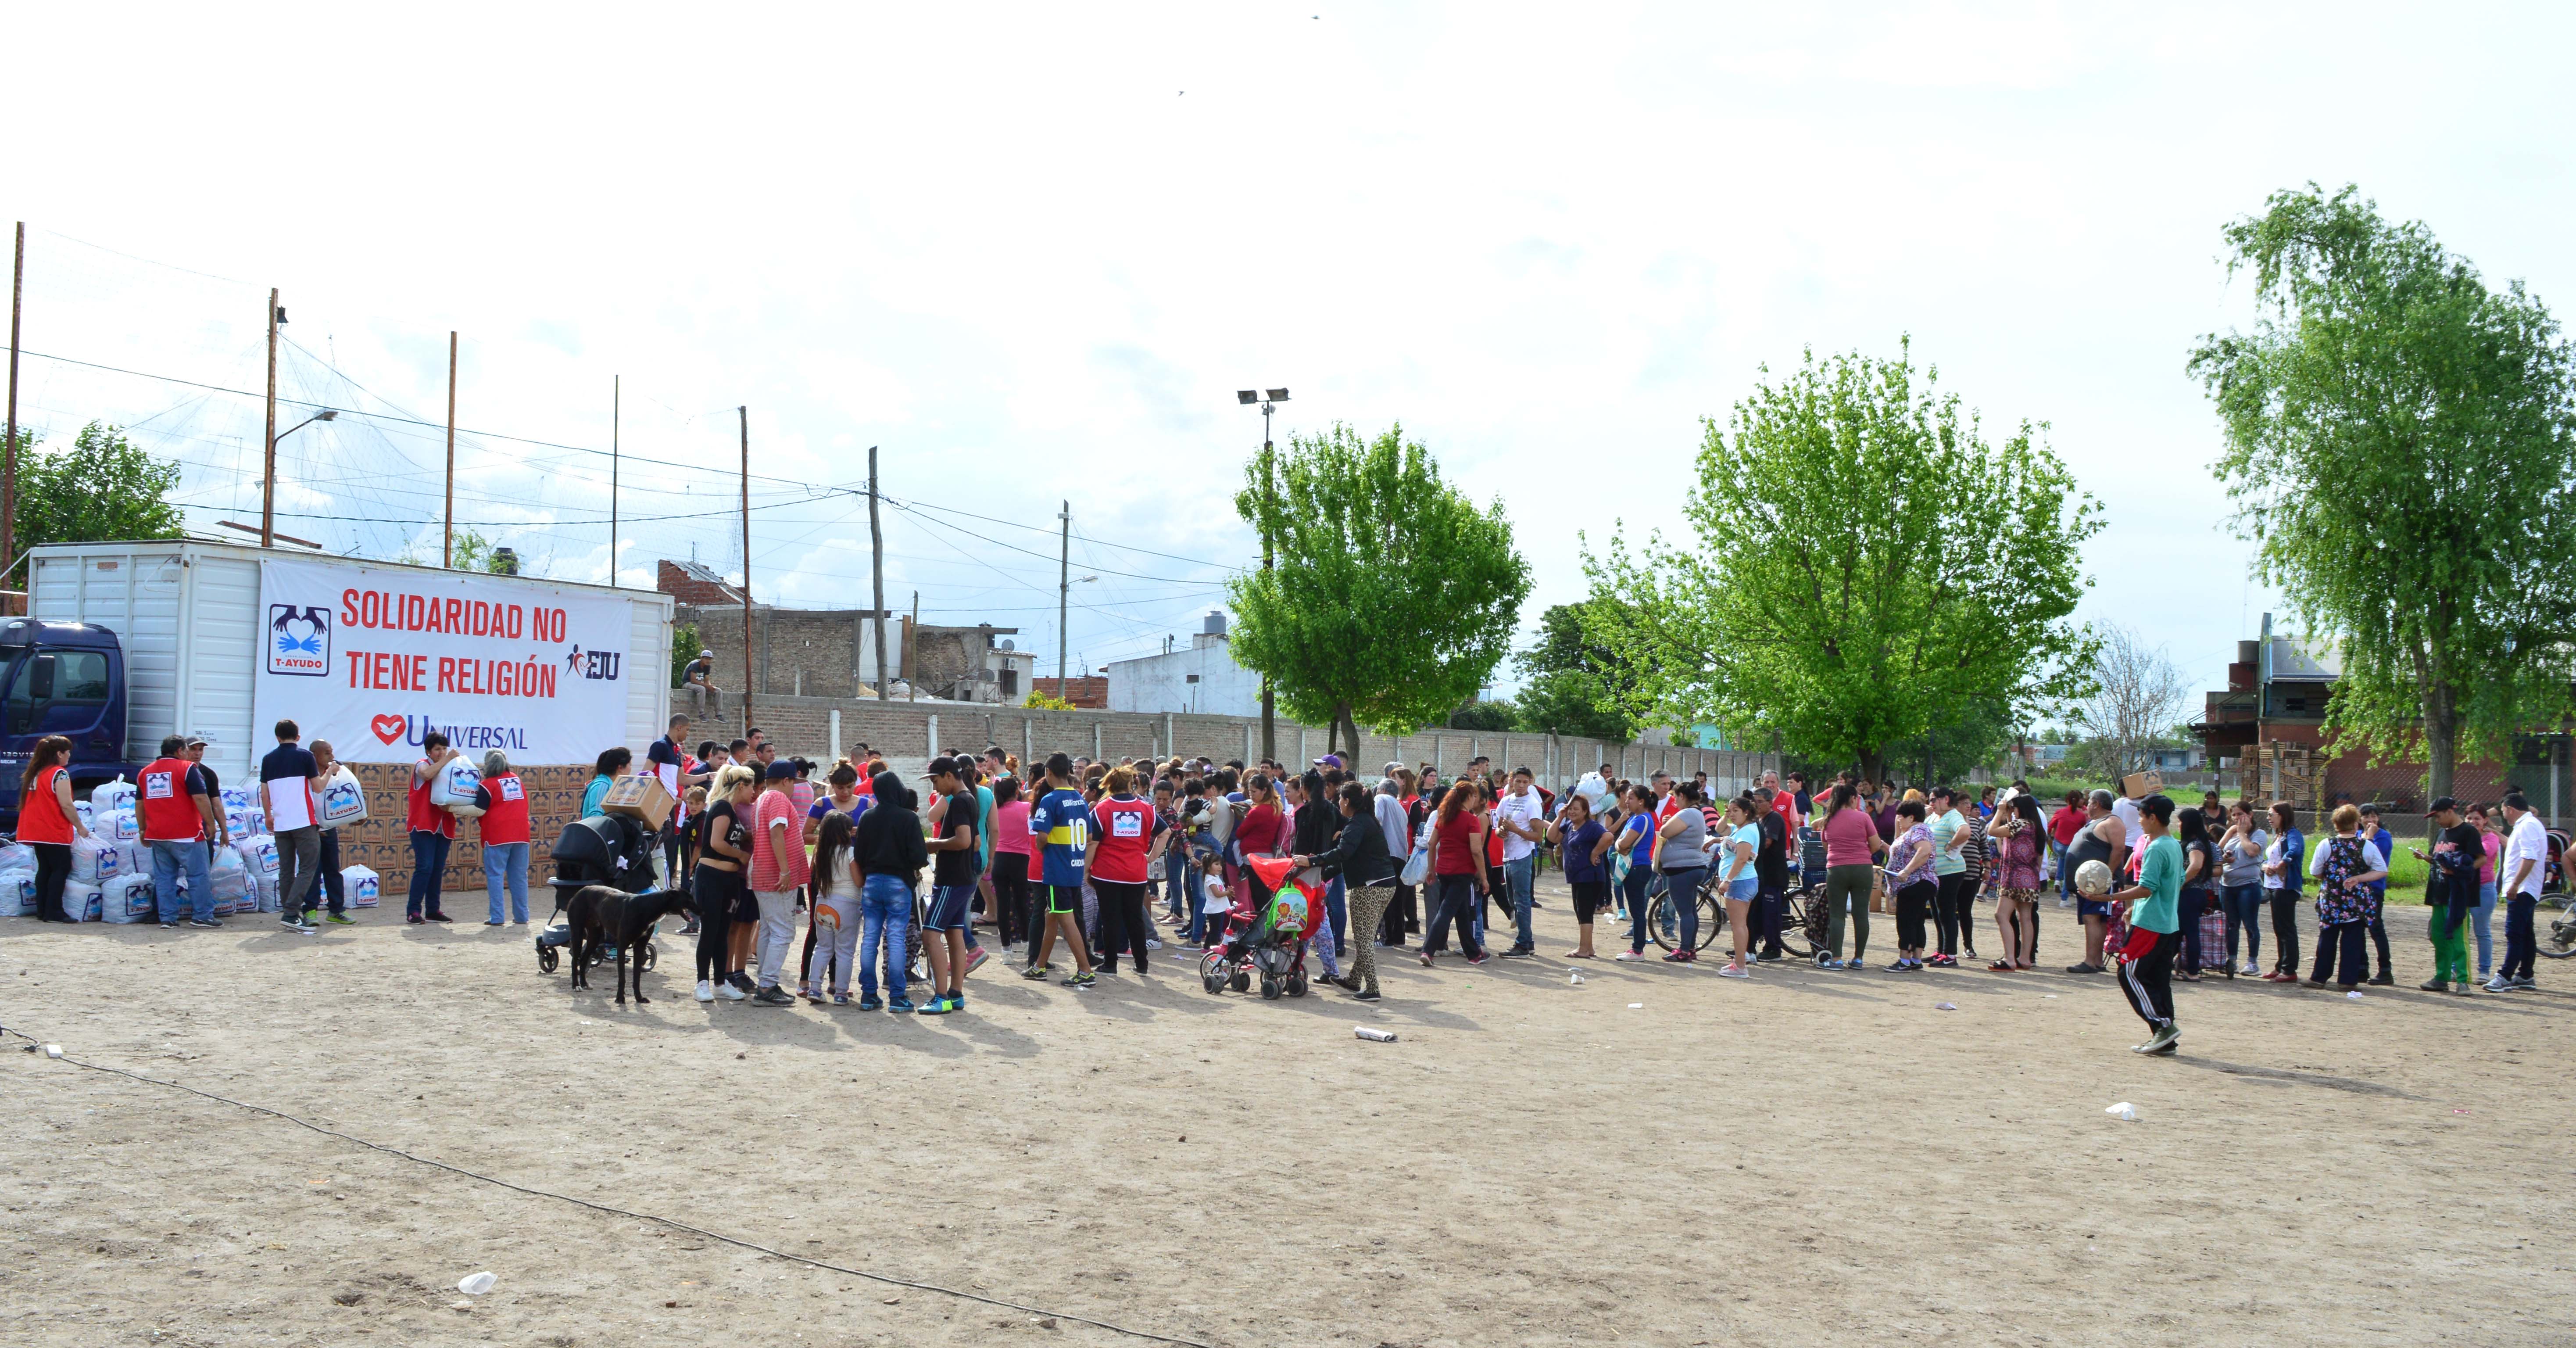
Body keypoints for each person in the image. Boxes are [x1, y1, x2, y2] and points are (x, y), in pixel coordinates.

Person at [1299, 780, 1402, 999]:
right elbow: (1347, 858)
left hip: (1369, 887)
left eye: (1340, 799)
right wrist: (1322, 874)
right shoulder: (1367, 821)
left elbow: (1342, 853)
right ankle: (1354, 980)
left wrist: (1312, 862)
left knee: (1363, 940)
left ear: (1346, 801)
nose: (1338, 803)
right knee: (1366, 936)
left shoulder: (1357, 824)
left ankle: (1373, 988)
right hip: (1384, 885)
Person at [2105, 793, 2184, 1055]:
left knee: (2128, 972)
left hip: (2150, 924)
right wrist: (2135, 908)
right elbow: (2175, 881)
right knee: (2158, 979)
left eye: (2141, 816)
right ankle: (2165, 1039)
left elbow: (2147, 888)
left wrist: (2109, 898)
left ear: (2153, 818)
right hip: (2166, 922)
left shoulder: (2157, 847)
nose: (2139, 821)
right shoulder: (2173, 845)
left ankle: (2163, 1026)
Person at [851, 769, 928, 1011]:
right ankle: (897, 996)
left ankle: (868, 994)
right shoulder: (909, 818)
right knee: (896, 938)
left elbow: (859, 854)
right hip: (899, 884)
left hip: (872, 883)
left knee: (870, 938)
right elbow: (919, 856)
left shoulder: (867, 817)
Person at [1023, 753, 1099, 988]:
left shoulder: (1050, 800)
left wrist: (1047, 848)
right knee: (1052, 915)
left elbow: (1041, 837)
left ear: (1048, 773)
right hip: (1074, 867)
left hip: (1057, 870)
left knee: (1066, 919)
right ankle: (1039, 966)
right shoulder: (1079, 798)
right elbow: (1089, 837)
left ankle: (1085, 971)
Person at [919, 756, 983, 1012]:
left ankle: (941, 997)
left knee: (930, 933)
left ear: (948, 776)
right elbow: (975, 842)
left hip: (951, 880)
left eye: (936, 781)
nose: (935, 788)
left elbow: (965, 841)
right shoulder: (970, 798)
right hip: (964, 878)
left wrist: (934, 844)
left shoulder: (959, 802)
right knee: (955, 933)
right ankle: (956, 994)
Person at [745, 760, 811, 1005]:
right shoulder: (779, 799)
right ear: (786, 781)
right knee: (783, 932)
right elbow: (776, 833)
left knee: (769, 929)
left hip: (763, 873)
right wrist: (785, 870)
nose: (795, 788)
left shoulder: (762, 798)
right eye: (794, 782)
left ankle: (767, 981)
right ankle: (766, 986)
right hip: (775, 874)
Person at [2304, 802, 2387, 991]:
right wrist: (2359, 878)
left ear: (2336, 824)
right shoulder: (2367, 846)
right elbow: (2381, 870)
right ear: (2356, 824)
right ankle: (2348, 981)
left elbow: (2315, 871)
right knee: (2352, 940)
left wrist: (2331, 877)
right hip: (2356, 901)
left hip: (2331, 899)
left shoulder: (2326, 844)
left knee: (2327, 939)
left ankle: (2319, 978)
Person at [137, 735, 219, 928]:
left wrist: (142, 829)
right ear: (181, 751)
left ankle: (168, 918)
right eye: (187, 750)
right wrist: (210, 823)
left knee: (165, 878)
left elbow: (140, 804)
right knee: (198, 875)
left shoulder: (145, 773)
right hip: (187, 834)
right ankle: (203, 916)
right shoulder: (187, 768)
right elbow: (201, 798)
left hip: (158, 834)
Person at [1086, 765, 1157, 979]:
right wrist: (1151, 856)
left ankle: (1110, 965)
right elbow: (1166, 832)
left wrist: (1086, 869)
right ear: (1131, 783)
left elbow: (1093, 843)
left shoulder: (1102, 809)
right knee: (1135, 919)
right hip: (1136, 872)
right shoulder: (1146, 808)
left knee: (1110, 919)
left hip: (1107, 873)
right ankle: (1142, 964)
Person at [692, 765, 756, 1003]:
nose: (753, 792)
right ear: (741, 786)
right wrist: (741, 856)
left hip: (730, 879)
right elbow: (716, 843)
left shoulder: (732, 811)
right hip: (712, 877)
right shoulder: (722, 807)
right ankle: (702, 984)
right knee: (709, 932)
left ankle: (720, 983)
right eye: (751, 787)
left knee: (722, 933)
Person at [453, 749, 532, 926]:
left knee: (496, 876)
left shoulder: (487, 785)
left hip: (497, 835)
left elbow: (479, 810)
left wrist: (453, 809)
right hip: (521, 834)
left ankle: (497, 917)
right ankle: (522, 916)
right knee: (519, 877)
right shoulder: (516, 780)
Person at [2411, 797, 2481, 993]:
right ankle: (2441, 977)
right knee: (2440, 937)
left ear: (2450, 811)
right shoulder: (2442, 833)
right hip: (2439, 892)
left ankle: (2463, 980)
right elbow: (2439, 860)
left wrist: (2460, 872)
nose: (2437, 820)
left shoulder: (2468, 832)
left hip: (2458, 895)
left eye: (2438, 816)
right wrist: (2426, 857)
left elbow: (2481, 859)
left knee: (2458, 938)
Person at [260, 719, 323, 935]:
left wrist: (268, 815)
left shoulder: (268, 759)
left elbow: (265, 792)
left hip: (281, 822)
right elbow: (318, 787)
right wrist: (331, 771)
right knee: (308, 867)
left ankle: (291, 914)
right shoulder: (306, 756)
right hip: (304, 820)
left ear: (278, 738)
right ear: (298, 737)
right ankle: (291, 913)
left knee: (286, 869)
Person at [1420, 779, 1489, 967]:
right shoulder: (1471, 820)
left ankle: (1473, 954)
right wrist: (1484, 878)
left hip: (1444, 871)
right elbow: (1477, 851)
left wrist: (1431, 869)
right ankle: (1428, 950)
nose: (1476, 799)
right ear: (1469, 797)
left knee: (1462, 912)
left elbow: (1432, 844)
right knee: (1446, 912)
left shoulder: (1444, 817)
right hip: (1462, 873)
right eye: (1474, 796)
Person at [17, 735, 86, 923]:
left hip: (35, 829)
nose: (69, 756)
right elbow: (66, 805)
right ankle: (54, 911)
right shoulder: (60, 774)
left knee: (45, 869)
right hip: (52, 829)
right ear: (59, 754)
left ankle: (43, 910)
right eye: (68, 752)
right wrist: (80, 827)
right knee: (61, 868)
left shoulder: (36, 772)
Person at [803, 810, 863, 1005]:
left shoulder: (820, 853)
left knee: (822, 948)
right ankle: (841, 993)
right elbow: (858, 881)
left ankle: (814, 988)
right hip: (846, 905)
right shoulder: (850, 853)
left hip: (823, 904)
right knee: (845, 951)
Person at [2063, 790, 2124, 975]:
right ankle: (2097, 961)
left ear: (2097, 804)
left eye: (2089, 802)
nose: (2087, 805)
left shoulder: (2112, 822)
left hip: (2099, 882)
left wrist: (2107, 875)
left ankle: (2090, 962)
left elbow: (2119, 849)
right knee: (2094, 918)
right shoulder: (2095, 822)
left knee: (2093, 918)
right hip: (2089, 883)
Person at [1651, 780, 1711, 964]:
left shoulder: (1687, 814)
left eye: (1676, 798)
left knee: (1684, 912)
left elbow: (1665, 832)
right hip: (1692, 867)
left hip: (1682, 869)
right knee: (1690, 911)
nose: (1674, 801)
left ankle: (1684, 950)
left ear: (1682, 796)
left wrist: (1666, 823)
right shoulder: (1697, 813)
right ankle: (1690, 948)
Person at [2493, 791, 2547, 993]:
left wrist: (2516, 884)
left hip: (2523, 889)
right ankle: (2525, 975)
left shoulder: (2528, 826)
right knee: (2525, 933)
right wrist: (2494, 833)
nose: (2503, 815)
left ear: (2511, 809)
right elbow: (2515, 847)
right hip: (2525, 888)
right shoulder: (2526, 825)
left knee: (2514, 933)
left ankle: (2504, 976)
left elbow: (2529, 857)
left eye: (2503, 811)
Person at [1986, 792, 2045, 971]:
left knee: (2001, 915)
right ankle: (2025, 958)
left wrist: (2000, 811)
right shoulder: (2036, 827)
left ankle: (2009, 958)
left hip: (2013, 877)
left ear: (2020, 809)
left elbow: (1992, 831)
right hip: (2030, 878)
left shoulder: (2019, 824)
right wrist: (2009, 813)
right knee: (2025, 918)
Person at [406, 732, 459, 924]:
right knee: (425, 867)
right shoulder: (422, 764)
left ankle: (433, 910)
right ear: (429, 751)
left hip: (444, 824)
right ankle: (413, 910)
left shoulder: (451, 767)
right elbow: (427, 775)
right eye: (437, 749)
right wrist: (448, 758)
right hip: (424, 824)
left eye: (444, 749)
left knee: (437, 869)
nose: (442, 752)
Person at [1549, 793, 1610, 961]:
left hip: (1590, 876)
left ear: (1585, 811)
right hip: (1577, 877)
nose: (1572, 812)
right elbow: (1552, 837)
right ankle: (1588, 947)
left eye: (1576, 809)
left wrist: (1595, 853)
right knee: (1581, 911)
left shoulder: (1591, 826)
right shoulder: (1569, 825)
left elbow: (1608, 837)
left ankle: (1583, 949)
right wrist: (1560, 817)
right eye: (1570, 809)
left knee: (1585, 912)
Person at [1494, 766, 1546, 957]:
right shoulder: (1506, 801)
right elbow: (1498, 827)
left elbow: (1538, 837)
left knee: (1522, 901)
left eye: (1525, 782)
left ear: (1530, 782)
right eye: (1518, 781)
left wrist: (1516, 830)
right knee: (1513, 901)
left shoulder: (1533, 804)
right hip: (1508, 856)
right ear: (1511, 781)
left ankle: (1523, 944)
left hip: (1523, 857)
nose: (1522, 785)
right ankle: (1528, 942)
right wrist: (1501, 832)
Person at [1884, 799, 1938, 970]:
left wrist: (1907, 871)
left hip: (1915, 882)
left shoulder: (1918, 830)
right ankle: (1916, 960)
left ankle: (1904, 961)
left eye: (1901, 816)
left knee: (1906, 920)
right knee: (1917, 920)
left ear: (1912, 817)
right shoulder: (1912, 832)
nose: (1898, 820)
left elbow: (1925, 850)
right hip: (1917, 883)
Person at [2216, 802, 2268, 976]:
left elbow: (2252, 851)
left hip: (2248, 885)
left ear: (2250, 815)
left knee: (2250, 924)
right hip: (2227, 885)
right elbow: (2217, 851)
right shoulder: (2231, 832)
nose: (2237, 818)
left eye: (2241, 814)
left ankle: (2252, 963)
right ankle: (2232, 960)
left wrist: (2241, 833)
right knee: (2231, 924)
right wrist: (2225, 857)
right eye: (2234, 815)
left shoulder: (2259, 834)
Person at [1711, 794, 1760, 976]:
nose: (1732, 814)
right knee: (1741, 925)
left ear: (1746, 812)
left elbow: (1742, 859)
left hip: (1740, 882)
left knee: (1738, 926)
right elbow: (1719, 829)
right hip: (1744, 882)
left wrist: (1727, 880)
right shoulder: (1741, 828)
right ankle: (1740, 962)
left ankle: (1740, 966)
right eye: (1730, 811)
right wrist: (1725, 816)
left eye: (1736, 811)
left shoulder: (1747, 831)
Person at [306, 740, 353, 925]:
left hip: (329, 828)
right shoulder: (306, 776)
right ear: (314, 755)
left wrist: (356, 816)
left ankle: (336, 910)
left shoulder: (336, 774)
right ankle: (310, 911)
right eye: (327, 753)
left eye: (332, 752)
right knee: (313, 871)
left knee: (333, 869)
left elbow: (349, 797)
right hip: (311, 829)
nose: (332, 757)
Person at [2258, 801, 2305, 982]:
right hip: (2273, 886)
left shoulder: (2293, 834)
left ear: (2283, 816)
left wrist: (2281, 865)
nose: (2268, 818)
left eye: (2272, 815)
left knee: (2287, 929)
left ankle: (2289, 969)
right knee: (2279, 929)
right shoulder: (2279, 836)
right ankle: (2281, 965)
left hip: (2285, 887)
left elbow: (2295, 851)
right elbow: (2268, 859)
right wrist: (2265, 867)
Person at [1612, 785, 1660, 962]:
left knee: (1638, 910)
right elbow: (1620, 842)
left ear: (1641, 801)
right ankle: (1636, 948)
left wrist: (1619, 845)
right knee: (1636, 909)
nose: (1627, 801)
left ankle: (1638, 950)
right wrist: (1619, 845)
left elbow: (1623, 844)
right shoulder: (1635, 818)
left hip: (1637, 867)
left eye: (1631, 798)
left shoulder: (1641, 820)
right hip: (1635, 867)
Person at [1926, 787, 1972, 968]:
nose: (1931, 803)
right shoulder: (1934, 816)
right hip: (1935, 872)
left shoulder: (1953, 815)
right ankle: (1941, 950)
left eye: (1933, 800)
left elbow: (1965, 832)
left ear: (1945, 799)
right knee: (1937, 913)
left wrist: (1950, 845)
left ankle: (1951, 954)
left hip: (1950, 871)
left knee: (1947, 912)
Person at [990, 776, 1034, 950]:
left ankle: (1006, 950)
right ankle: (1026, 943)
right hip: (1022, 860)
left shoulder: (995, 810)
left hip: (1000, 858)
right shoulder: (1027, 808)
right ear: (1017, 791)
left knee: (1002, 906)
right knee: (1022, 903)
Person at [2173, 805, 2217, 979]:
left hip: (2191, 894)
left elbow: (2196, 865)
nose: (2178, 825)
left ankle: (2192, 972)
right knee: (2179, 932)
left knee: (2191, 933)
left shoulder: (2195, 844)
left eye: (2180, 822)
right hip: (2191, 894)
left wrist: (2180, 882)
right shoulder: (2194, 843)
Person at [2467, 803, 2503, 983]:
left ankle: (2484, 971)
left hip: (2483, 888)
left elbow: (2480, 854)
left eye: (2477, 819)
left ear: (2485, 820)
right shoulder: (2462, 836)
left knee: (2482, 931)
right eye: (2469, 818)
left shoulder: (2491, 838)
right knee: (2459, 930)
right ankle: (2456, 968)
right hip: (2464, 887)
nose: (2473, 822)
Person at [2050, 789, 2086, 908]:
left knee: (2062, 858)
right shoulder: (2082, 816)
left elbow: (2050, 826)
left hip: (2059, 845)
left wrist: (2050, 837)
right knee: (2069, 872)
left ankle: (2057, 880)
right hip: (2072, 846)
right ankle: (2064, 899)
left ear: (2067, 800)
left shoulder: (2060, 812)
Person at [581, 746, 630, 818]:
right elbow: (596, 817)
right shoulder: (602, 785)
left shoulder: (613, 785)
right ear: (620, 768)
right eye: (630, 765)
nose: (631, 768)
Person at [682, 649, 723, 718]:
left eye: (710, 659)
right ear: (701, 658)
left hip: (698, 684)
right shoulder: (695, 664)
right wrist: (707, 686)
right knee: (702, 689)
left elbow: (707, 680)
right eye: (706, 659)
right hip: (688, 684)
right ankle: (701, 713)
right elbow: (693, 681)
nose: (708, 661)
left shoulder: (707, 667)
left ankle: (718, 714)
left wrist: (710, 687)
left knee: (718, 691)